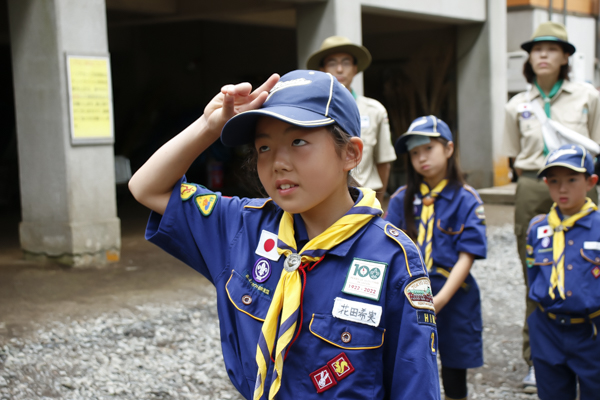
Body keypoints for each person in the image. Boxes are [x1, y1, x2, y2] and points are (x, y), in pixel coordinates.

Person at [128, 69, 441, 399]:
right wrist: (209, 127)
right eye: (263, 148)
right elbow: (146, 187)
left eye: (298, 141)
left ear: (350, 153)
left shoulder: (392, 257)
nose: (278, 162)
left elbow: (415, 384)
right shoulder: (243, 227)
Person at [502, 21, 600, 392]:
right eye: (536, 48)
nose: (542, 54)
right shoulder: (517, 104)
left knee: (589, 266)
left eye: (552, 48)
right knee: (536, 272)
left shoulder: (588, 96)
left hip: (580, 182)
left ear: (565, 57)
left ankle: (591, 348)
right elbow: (515, 153)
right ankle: (537, 358)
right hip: (533, 183)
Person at [385, 116, 487, 400]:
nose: (421, 158)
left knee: (454, 368)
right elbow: (388, 248)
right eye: (415, 153)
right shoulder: (401, 198)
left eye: (428, 148)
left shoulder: (467, 198)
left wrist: (440, 300)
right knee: (410, 364)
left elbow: (467, 256)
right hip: (410, 293)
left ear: (449, 148)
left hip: (453, 294)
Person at [526, 144, 600, 400]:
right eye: (554, 181)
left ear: (591, 181)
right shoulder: (537, 228)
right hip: (548, 328)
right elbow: (533, 276)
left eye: (572, 179)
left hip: (591, 330)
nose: (562, 188)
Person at [307, 36, 397, 204]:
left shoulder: (374, 110)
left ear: (355, 69)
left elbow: (383, 161)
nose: (340, 69)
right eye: (332, 63)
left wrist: (376, 205)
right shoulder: (310, 111)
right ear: (322, 69)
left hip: (365, 201)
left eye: (346, 63)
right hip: (321, 203)